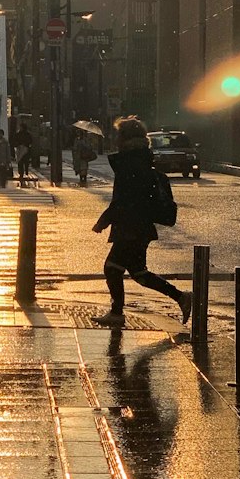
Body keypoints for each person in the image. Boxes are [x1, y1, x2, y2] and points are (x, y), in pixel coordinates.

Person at [91, 116, 192, 328]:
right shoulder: (139, 159)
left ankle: (117, 313)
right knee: (138, 273)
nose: (115, 139)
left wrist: (104, 220)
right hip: (139, 226)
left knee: (112, 268)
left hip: (131, 227)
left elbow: (124, 199)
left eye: (118, 135)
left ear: (125, 138)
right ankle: (181, 297)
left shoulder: (130, 163)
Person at [12, 120, 33, 185]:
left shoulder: (19, 134)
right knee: (23, 162)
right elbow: (30, 141)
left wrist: (18, 144)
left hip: (23, 149)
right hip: (23, 149)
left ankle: (22, 173)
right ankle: (23, 173)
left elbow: (14, 140)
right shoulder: (27, 134)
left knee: (21, 161)